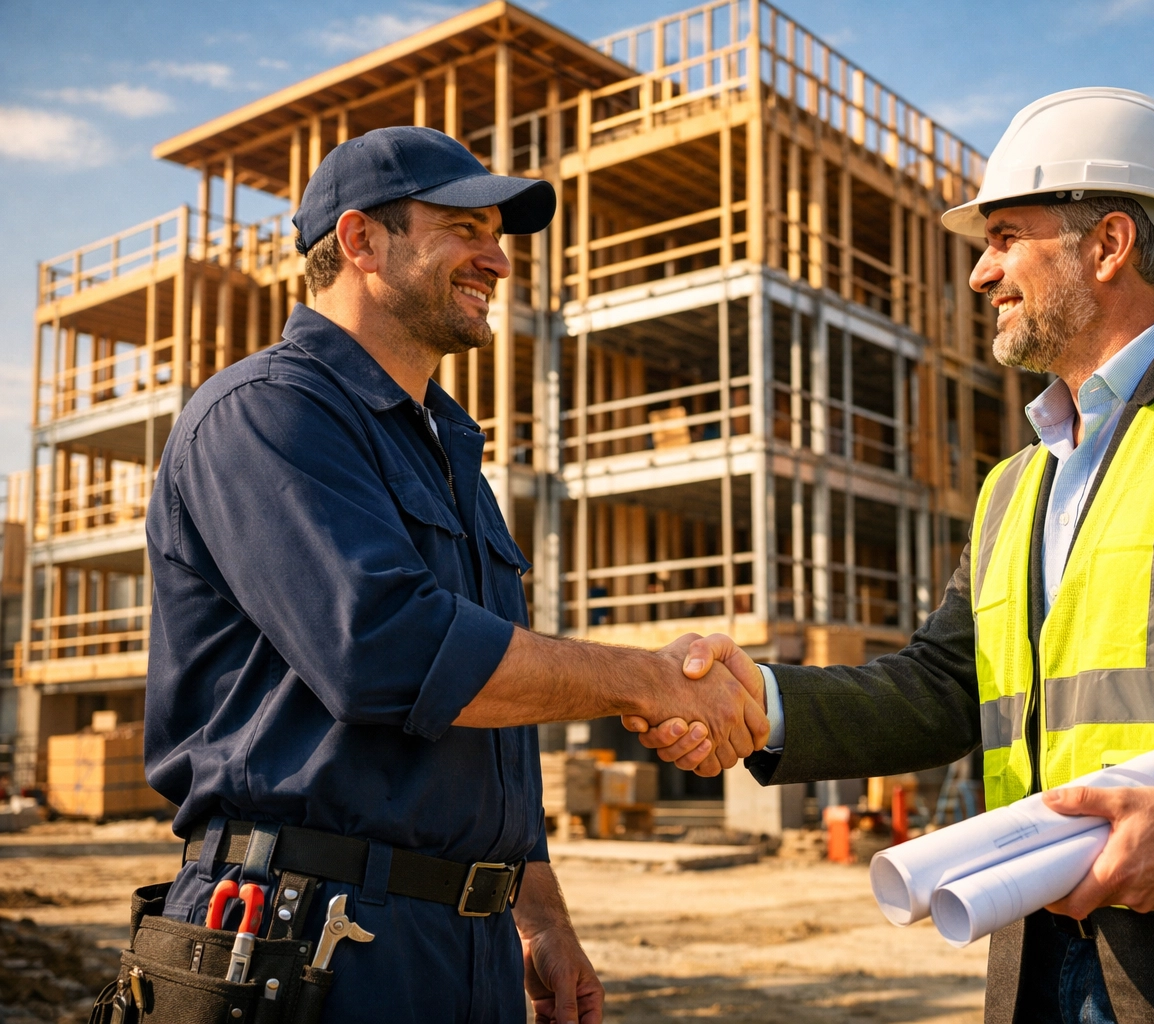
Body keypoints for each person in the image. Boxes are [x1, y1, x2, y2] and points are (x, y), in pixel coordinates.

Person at [629, 89, 1154, 1023]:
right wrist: (766, 704)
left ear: (1109, 243)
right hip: (1044, 959)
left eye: (1005, 237)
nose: (978, 273)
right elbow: (947, 686)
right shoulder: (1017, 484)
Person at [144, 126, 766, 1024]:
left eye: (499, 236)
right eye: (465, 230)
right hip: (303, 935)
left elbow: (489, 724)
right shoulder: (265, 417)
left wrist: (538, 916)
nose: (499, 261)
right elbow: (388, 651)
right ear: (361, 241)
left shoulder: (449, 451)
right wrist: (648, 680)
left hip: (462, 942)